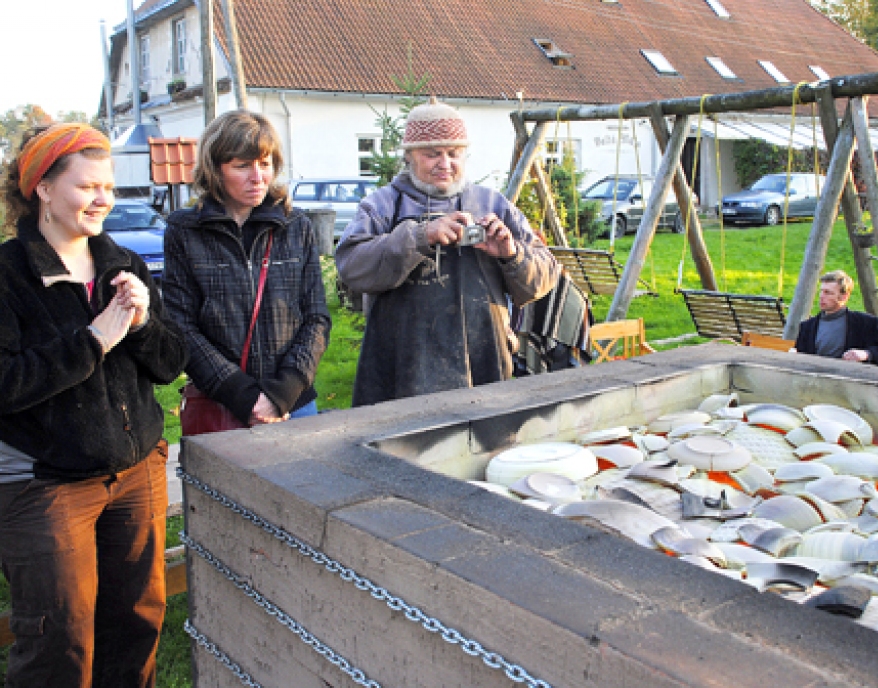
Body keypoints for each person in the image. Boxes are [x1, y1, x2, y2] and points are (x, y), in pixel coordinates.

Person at [0, 123, 188, 687]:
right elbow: (6, 383)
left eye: (109, 186)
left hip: (136, 472)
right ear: (43, 188)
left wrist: (144, 321)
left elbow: (169, 363)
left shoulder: (121, 260)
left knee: (136, 623)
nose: (103, 198)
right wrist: (94, 339)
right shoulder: (9, 275)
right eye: (87, 186)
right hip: (45, 482)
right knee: (59, 639)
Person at [335, 97, 560, 406]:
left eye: (454, 153)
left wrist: (512, 254)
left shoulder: (492, 204)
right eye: (432, 154)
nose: (445, 163)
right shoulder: (383, 206)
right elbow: (351, 266)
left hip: (484, 363)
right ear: (409, 157)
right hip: (401, 369)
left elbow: (545, 275)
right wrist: (419, 236)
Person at [163, 111, 331, 429]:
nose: (257, 177)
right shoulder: (185, 230)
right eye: (242, 166)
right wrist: (243, 396)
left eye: (264, 164)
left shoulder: (296, 226)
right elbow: (180, 325)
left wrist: (282, 392)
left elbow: (316, 318)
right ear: (216, 169)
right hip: (221, 403)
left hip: (293, 403)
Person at [795, 269, 878, 364]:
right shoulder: (807, 327)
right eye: (821, 291)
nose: (821, 297)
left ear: (844, 297)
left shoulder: (864, 323)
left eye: (828, 293)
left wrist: (866, 354)